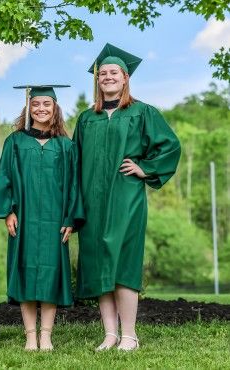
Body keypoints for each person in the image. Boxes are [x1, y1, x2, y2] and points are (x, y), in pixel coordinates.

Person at [73, 43, 181, 351]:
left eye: (113, 73)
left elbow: (170, 146)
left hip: (126, 198)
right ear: (97, 80)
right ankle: (110, 334)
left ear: (125, 77)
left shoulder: (142, 112)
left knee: (123, 261)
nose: (107, 77)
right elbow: (75, 160)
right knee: (96, 263)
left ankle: (130, 334)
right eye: (102, 73)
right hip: (92, 200)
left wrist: (144, 168)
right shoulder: (86, 119)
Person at [0, 85, 84, 351]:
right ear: (28, 108)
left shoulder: (66, 146)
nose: (41, 109)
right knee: (25, 273)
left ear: (55, 109)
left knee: (51, 277)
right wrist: (7, 210)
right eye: (36, 104)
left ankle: (46, 335)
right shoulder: (15, 142)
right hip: (25, 219)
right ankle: (30, 335)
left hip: (56, 221)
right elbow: (4, 178)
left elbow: (74, 185)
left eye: (47, 104)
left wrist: (70, 218)